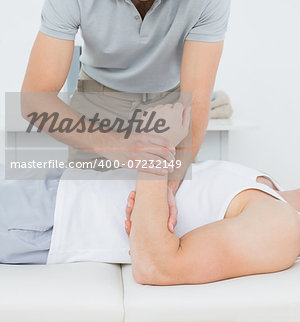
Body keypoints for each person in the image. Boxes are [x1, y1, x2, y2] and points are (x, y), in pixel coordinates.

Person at [20, 0, 232, 234]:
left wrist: (167, 186)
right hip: (96, 105)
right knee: (86, 225)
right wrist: (116, 145)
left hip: (170, 109)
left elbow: (193, 103)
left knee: (166, 223)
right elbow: (35, 99)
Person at [1, 103, 300, 288]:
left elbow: (155, 266)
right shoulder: (271, 190)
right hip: (62, 187)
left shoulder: (283, 228)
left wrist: (159, 145)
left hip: (50, 219)